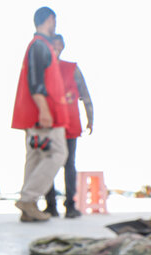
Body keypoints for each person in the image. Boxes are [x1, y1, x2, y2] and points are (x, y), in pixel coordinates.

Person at [11, 6, 69, 222]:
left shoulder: (38, 46)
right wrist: (44, 110)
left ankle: (28, 208)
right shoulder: (40, 46)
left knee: (35, 157)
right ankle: (28, 198)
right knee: (57, 154)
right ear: (50, 19)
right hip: (46, 114)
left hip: (37, 115)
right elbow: (36, 81)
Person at [44, 34, 94, 219]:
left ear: (62, 46)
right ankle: (50, 204)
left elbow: (85, 94)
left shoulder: (72, 68)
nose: (56, 48)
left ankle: (70, 205)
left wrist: (90, 117)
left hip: (70, 123)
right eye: (53, 45)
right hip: (48, 124)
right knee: (48, 163)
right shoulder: (43, 69)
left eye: (58, 45)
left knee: (69, 164)